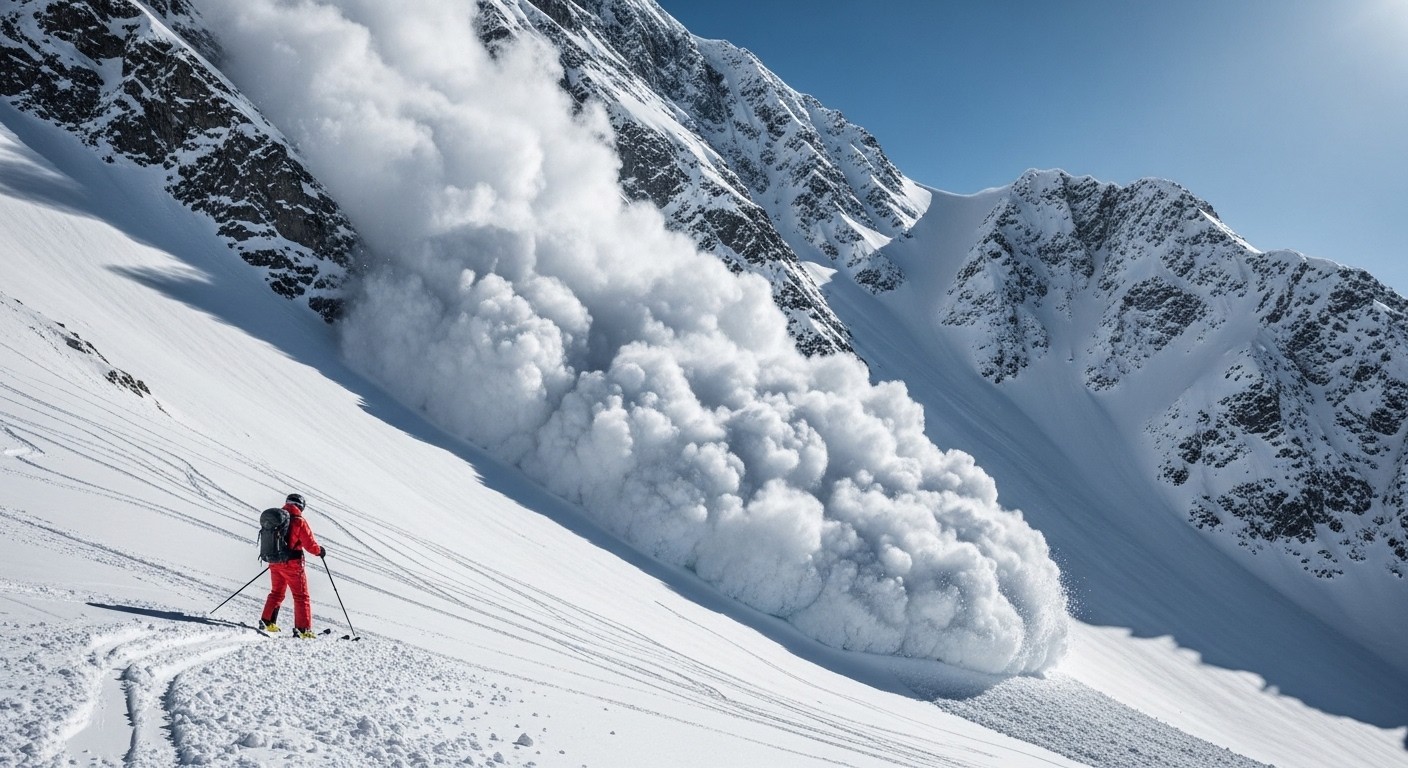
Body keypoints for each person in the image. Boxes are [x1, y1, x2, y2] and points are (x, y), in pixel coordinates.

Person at [259, 492, 327, 638]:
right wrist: (319, 551)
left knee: (276, 592)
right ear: (301, 506)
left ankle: (267, 621)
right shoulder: (299, 521)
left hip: (275, 562)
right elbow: (309, 545)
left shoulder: (277, 519)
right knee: (301, 596)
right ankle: (303, 630)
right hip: (293, 565)